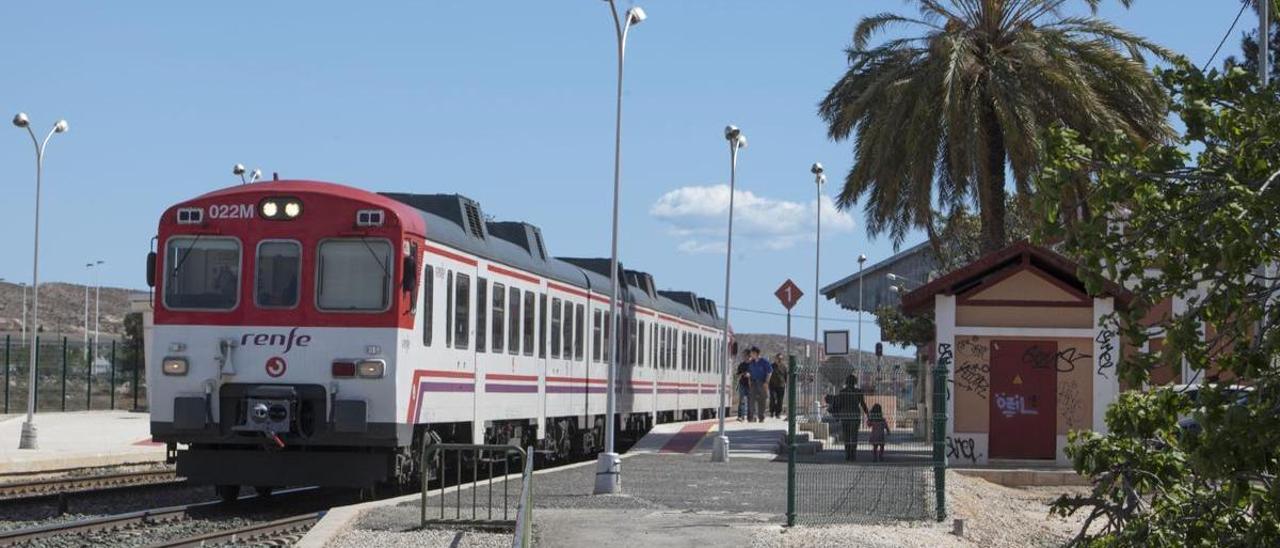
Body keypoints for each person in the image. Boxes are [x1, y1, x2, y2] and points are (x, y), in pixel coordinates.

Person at [826, 375, 870, 461]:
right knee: (854, 436)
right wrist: (868, 414)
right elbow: (863, 404)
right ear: (855, 382)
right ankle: (853, 455)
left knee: (846, 436)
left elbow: (839, 404)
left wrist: (837, 414)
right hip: (855, 416)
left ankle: (847, 454)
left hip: (845, 416)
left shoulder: (842, 392)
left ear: (846, 382)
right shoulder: (858, 392)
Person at [746, 347, 772, 422]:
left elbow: (769, 372)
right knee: (751, 400)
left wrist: (766, 382)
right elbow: (749, 371)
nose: (750, 354)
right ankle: (752, 416)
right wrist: (749, 377)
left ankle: (761, 417)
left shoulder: (764, 362)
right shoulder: (752, 362)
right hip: (753, 382)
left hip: (762, 382)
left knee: (762, 400)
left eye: (752, 353)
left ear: (756, 353)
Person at [768, 353, 787, 419]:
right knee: (773, 398)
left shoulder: (784, 367)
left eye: (781, 359)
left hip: (781, 386)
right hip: (772, 386)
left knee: (780, 400)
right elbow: (768, 375)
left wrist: (786, 383)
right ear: (775, 359)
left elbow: (785, 376)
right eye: (778, 358)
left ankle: (778, 413)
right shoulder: (771, 366)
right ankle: (772, 412)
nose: (779, 360)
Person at [735, 350, 752, 422]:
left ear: (749, 356)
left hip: (751, 385)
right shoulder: (741, 365)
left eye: (744, 355)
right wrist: (742, 374)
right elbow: (737, 374)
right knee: (741, 401)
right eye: (743, 355)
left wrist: (750, 375)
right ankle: (741, 416)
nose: (743, 357)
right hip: (742, 384)